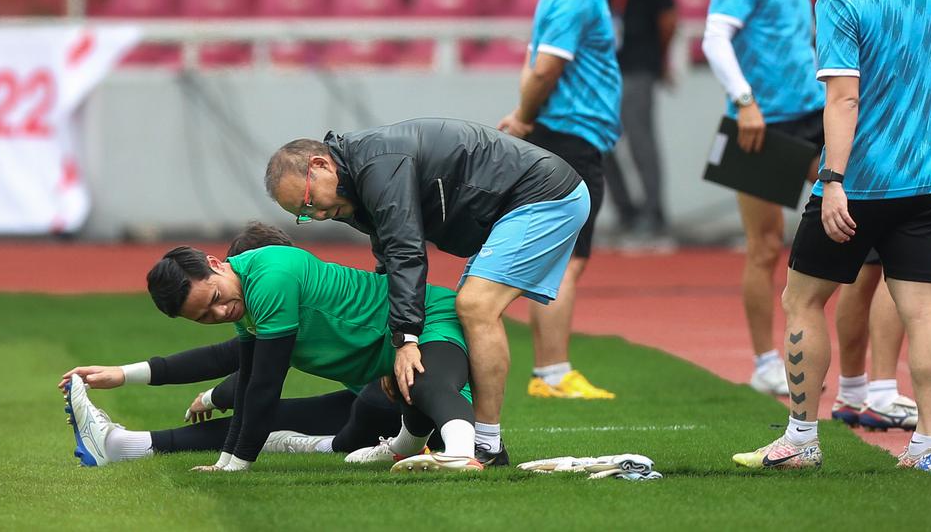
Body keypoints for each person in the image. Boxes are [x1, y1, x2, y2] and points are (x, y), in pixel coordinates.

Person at [732, 0, 931, 474]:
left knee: (801, 299)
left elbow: (843, 100)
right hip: (925, 179)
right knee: (923, 313)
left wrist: (832, 178)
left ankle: (802, 437)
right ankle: (926, 449)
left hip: (862, 183)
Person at [264, 117, 589, 465]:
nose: (318, 214)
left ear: (320, 164)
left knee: (476, 306)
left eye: (309, 201)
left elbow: (405, 250)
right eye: (304, 214)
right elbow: (389, 256)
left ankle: (487, 446)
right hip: (511, 208)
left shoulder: (377, 163)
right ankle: (446, 434)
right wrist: (395, 342)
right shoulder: (352, 182)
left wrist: (405, 340)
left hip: (544, 194)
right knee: (460, 316)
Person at [58, 223, 414, 466]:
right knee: (271, 414)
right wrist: (121, 374)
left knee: (360, 407)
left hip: (406, 392)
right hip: (374, 393)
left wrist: (216, 403)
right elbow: (237, 365)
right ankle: (125, 446)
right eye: (206, 314)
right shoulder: (264, 295)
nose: (223, 311)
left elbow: (255, 378)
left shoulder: (281, 292)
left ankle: (325, 446)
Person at [144, 242, 480, 473]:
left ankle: (464, 455)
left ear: (215, 264)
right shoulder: (243, 297)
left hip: (426, 319)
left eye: (216, 297)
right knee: (402, 399)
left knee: (422, 383)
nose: (221, 312)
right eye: (205, 316)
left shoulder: (269, 279)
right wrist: (225, 463)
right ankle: (404, 448)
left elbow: (265, 384)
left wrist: (239, 463)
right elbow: (248, 380)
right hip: (382, 354)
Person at [497, 0, 635, 402]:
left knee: (558, 259)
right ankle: (552, 373)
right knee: (564, 261)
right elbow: (546, 67)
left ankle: (549, 371)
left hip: (570, 136)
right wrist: (527, 116)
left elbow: (537, 61)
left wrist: (523, 115)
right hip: (569, 139)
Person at [832, 0, 931, 432]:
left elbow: (928, 88)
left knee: (855, 281)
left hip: (872, 164)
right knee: (884, 282)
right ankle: (874, 389)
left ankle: (860, 389)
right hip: (885, 169)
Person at [701, 0, 825, 396]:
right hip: (761, 124)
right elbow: (714, 38)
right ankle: (766, 361)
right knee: (765, 246)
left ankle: (826, 344)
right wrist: (745, 101)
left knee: (852, 222)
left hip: (813, 114)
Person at [600, 0, 677, 246]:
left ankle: (653, 213)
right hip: (607, 67)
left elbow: (668, 18)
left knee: (640, 141)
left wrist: (660, 60)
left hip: (638, 65)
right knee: (601, 141)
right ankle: (627, 211)